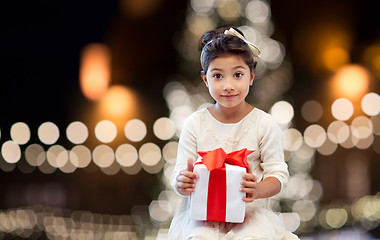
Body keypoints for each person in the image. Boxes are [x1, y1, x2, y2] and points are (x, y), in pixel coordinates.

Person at [168, 26, 299, 240]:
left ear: (251, 76)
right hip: (203, 217)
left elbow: (278, 175)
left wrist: (257, 189)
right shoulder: (195, 123)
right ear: (205, 80)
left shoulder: (263, 124)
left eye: (237, 74)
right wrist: (182, 181)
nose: (228, 85)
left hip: (249, 216)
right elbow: (179, 172)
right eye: (218, 76)